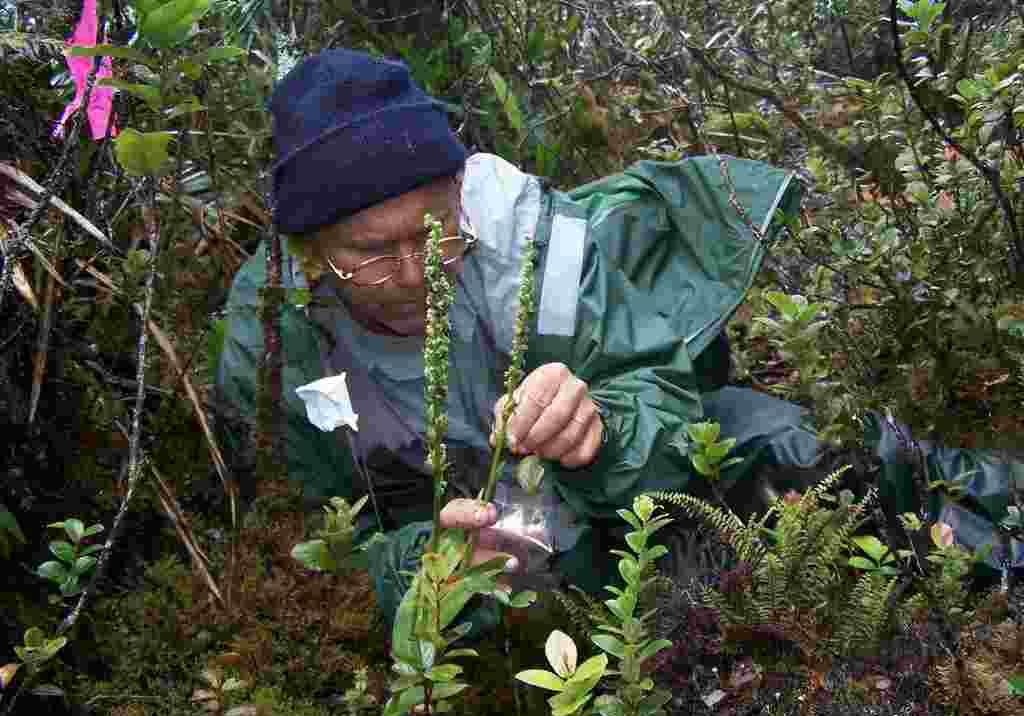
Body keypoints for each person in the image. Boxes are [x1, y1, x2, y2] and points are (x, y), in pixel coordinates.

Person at [216, 48, 1022, 631]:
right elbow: (305, 550)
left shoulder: (536, 244)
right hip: (496, 562)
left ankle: (995, 532)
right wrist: (421, 565)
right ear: (310, 249)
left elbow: (658, 393)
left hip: (601, 502)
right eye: (370, 253)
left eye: (438, 233)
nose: (418, 271)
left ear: (460, 193)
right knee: (544, 593)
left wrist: (601, 428)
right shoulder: (273, 347)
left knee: (791, 448)